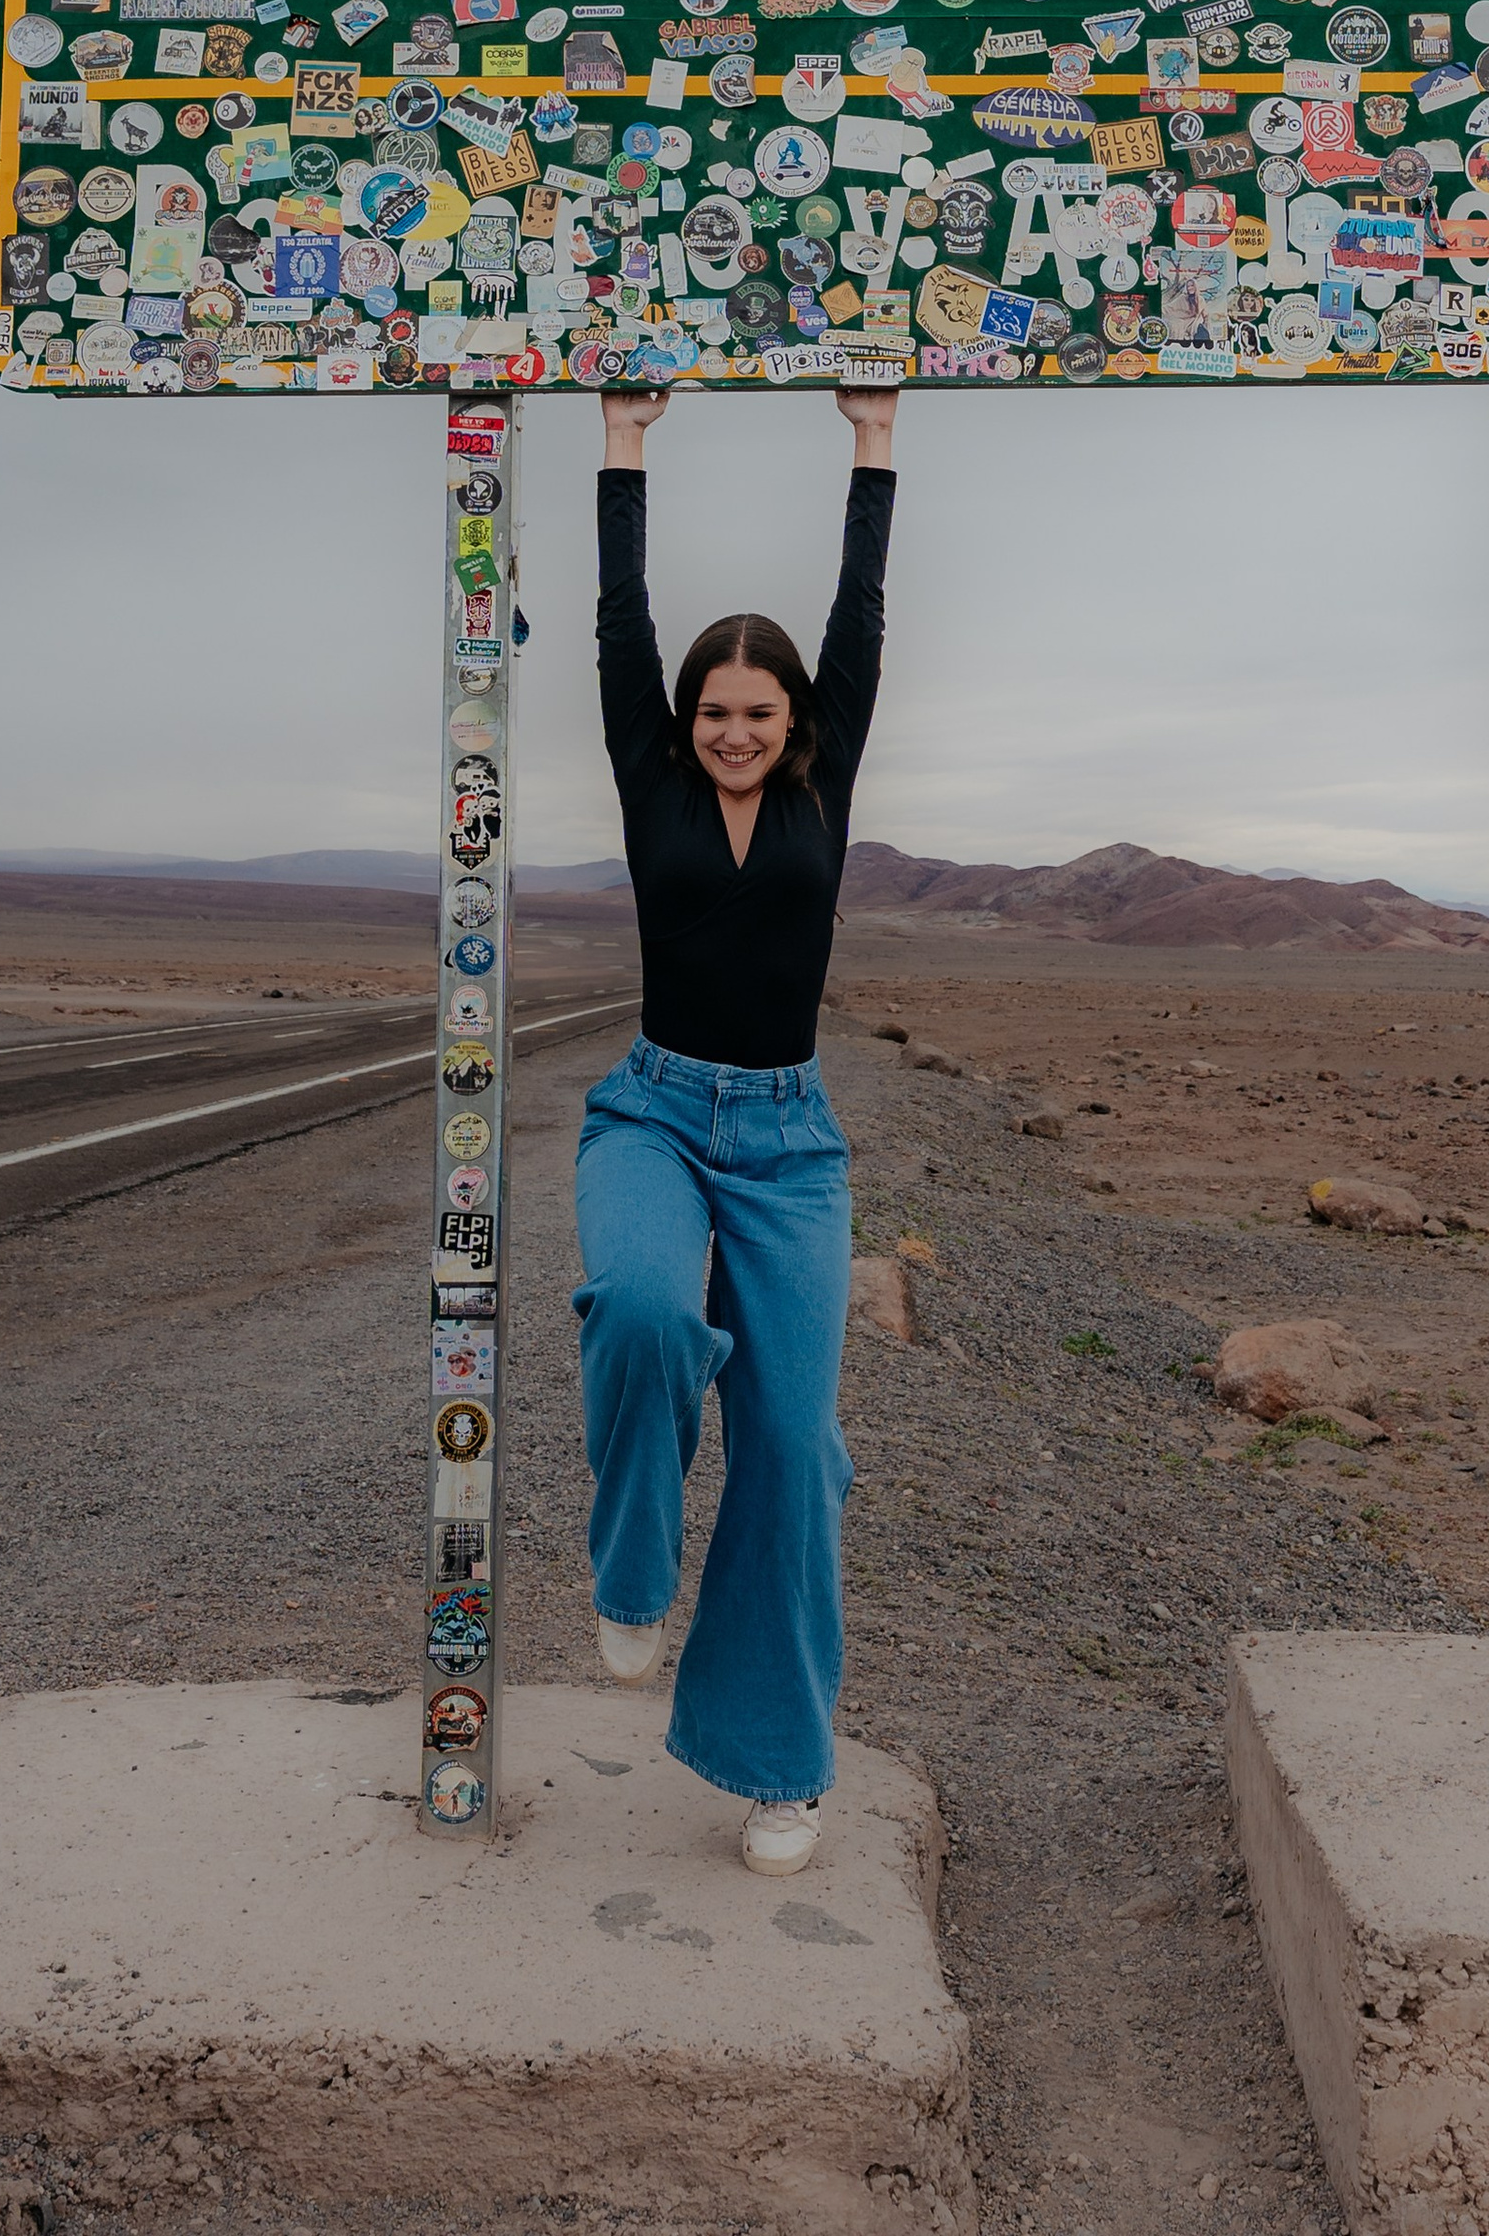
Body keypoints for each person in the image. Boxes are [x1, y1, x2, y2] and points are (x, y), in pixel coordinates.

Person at [574, 378, 899, 1875]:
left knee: (791, 1441)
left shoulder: (825, 783)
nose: (734, 730)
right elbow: (620, 622)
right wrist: (623, 443)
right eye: (715, 710)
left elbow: (862, 619)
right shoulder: (651, 774)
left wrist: (873, 443)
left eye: (759, 713)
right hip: (653, 1109)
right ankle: (632, 1570)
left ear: (797, 724)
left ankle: (778, 1760)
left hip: (787, 1141)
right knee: (641, 1307)